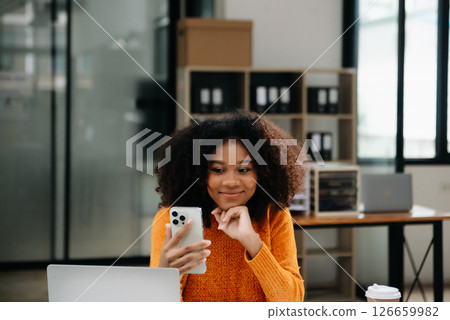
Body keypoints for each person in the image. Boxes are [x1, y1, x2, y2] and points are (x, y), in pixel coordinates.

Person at [150, 110, 305, 301]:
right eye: (218, 170)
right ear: (198, 173)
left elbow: (291, 303)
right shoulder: (172, 218)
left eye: (243, 169)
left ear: (262, 173)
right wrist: (165, 276)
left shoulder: (275, 215)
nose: (231, 182)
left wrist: (252, 242)